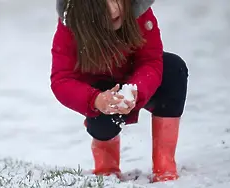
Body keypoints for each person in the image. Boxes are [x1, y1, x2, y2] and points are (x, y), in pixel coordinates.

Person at [50, 0, 188, 183]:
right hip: (99, 92)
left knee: (173, 69)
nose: (113, 9)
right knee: (103, 123)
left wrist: (136, 89)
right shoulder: (71, 26)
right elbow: (62, 79)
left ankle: (164, 164)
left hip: (136, 81)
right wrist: (95, 99)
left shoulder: (139, 13)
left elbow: (151, 61)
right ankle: (107, 168)